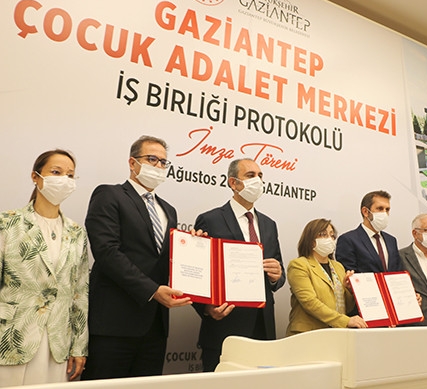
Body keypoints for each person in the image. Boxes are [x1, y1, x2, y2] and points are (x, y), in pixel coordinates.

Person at [82, 136, 192, 380]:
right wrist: (152, 290)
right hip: (115, 323)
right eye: (151, 159)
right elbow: (107, 251)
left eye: (163, 162)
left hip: (155, 326)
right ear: (133, 163)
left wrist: (193, 246)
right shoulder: (109, 194)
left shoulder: (169, 210)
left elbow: (168, 259)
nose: (158, 166)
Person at [0, 149, 88, 386]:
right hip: (11, 338)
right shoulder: (7, 223)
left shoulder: (76, 232)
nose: (64, 180)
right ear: (35, 176)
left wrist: (79, 347)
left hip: (57, 344)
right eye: (56, 172)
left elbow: (80, 293)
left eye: (70, 175)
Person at [193, 158, 286, 372]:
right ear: (233, 183)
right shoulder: (210, 219)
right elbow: (198, 272)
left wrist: (276, 277)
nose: (258, 181)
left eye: (260, 176)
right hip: (224, 326)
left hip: (262, 327)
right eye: (250, 175)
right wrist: (205, 308)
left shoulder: (269, 224)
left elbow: (278, 273)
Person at [286, 219, 367, 335]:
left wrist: (348, 289)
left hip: (336, 333)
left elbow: (346, 308)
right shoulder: (299, 265)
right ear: (311, 240)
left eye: (332, 236)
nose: (329, 239)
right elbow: (309, 302)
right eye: (323, 235)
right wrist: (345, 321)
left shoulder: (338, 266)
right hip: (309, 334)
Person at [336, 190, 403, 274]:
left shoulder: (391, 240)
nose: (384, 213)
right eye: (380, 209)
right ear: (365, 212)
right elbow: (349, 273)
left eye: (387, 209)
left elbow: (397, 271)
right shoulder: (348, 240)